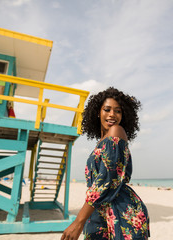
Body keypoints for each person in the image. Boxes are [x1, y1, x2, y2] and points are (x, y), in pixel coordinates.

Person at [61, 87, 150, 240]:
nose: (112, 115)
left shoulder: (116, 131)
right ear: (98, 112)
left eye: (118, 111)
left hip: (119, 211)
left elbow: (107, 180)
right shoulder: (101, 142)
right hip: (98, 210)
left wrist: (78, 221)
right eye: (107, 109)